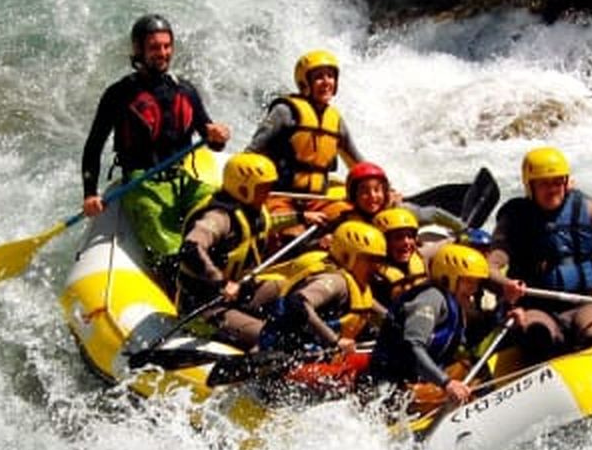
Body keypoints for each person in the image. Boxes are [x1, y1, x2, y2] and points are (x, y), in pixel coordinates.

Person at [81, 14, 231, 265]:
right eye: (154, 47)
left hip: (183, 179)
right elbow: (93, 146)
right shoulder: (119, 94)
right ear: (138, 50)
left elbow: (212, 141)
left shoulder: (185, 90)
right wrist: (89, 194)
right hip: (142, 183)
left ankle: (216, 258)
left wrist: (218, 136)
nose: (162, 53)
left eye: (167, 46)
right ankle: (178, 269)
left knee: (221, 209)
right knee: (163, 235)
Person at [488, 146, 592, 362]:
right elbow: (491, 267)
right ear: (530, 186)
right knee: (537, 337)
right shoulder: (514, 218)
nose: (552, 189)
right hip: (536, 305)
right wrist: (506, 285)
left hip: (583, 301)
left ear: (566, 182)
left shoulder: (589, 211)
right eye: (544, 183)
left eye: (557, 182)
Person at [174, 152, 310, 349]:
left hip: (239, 293)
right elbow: (190, 248)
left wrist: (301, 217)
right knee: (270, 338)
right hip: (205, 305)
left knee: (292, 287)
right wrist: (220, 282)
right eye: (263, 188)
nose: (268, 192)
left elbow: (266, 224)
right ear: (243, 188)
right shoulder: (218, 217)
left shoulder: (251, 210)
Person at [245, 49, 364, 238]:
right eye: (319, 77)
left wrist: (384, 188)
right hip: (280, 197)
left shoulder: (335, 120)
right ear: (304, 83)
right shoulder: (285, 112)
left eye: (330, 76)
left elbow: (357, 164)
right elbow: (251, 153)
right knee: (294, 234)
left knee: (356, 221)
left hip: (317, 200)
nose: (326, 82)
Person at [369, 244, 491, 404]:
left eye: (476, 283)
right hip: (391, 387)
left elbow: (465, 346)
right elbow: (412, 347)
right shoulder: (430, 299)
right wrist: (446, 383)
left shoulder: (455, 304)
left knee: (476, 371)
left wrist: (504, 312)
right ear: (448, 278)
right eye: (468, 281)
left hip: (419, 379)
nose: (474, 289)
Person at [258, 221, 386, 355]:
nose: (376, 266)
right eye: (370, 259)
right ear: (346, 256)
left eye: (380, 260)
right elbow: (298, 302)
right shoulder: (336, 281)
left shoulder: (359, 287)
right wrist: (335, 340)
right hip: (282, 353)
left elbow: (383, 315)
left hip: (311, 354)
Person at [371, 207, 428, 309]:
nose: (406, 242)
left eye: (410, 236)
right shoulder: (374, 277)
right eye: (398, 237)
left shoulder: (423, 261)